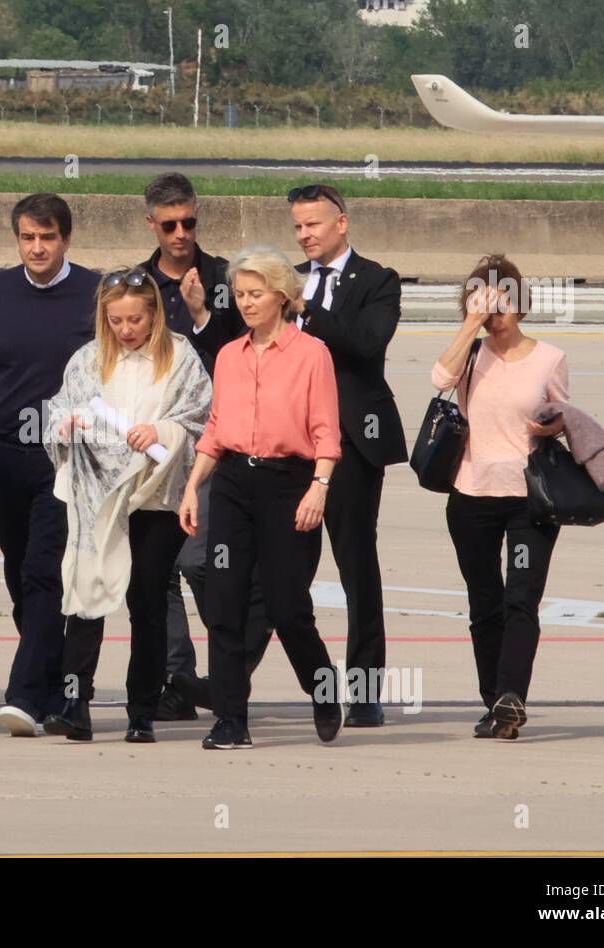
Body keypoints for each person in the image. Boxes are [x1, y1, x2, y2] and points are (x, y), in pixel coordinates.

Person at [178, 246, 343, 750]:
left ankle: (322, 685)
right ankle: (231, 719)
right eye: (241, 294)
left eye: (256, 294)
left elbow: (326, 432)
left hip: (289, 484)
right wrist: (192, 487)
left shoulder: (312, 354)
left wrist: (319, 487)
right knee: (224, 604)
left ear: (283, 297)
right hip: (231, 483)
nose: (245, 303)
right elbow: (215, 430)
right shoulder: (229, 355)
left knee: (285, 604)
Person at [42, 268, 211, 742]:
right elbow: (61, 410)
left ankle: (142, 710)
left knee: (148, 600)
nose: (127, 330)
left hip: (155, 497)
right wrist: (65, 428)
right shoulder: (89, 359)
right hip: (98, 497)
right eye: (116, 321)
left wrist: (162, 431)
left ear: (154, 313)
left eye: (136, 319)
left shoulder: (179, 356)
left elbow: (199, 416)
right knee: (85, 594)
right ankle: (75, 702)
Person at [0, 193, 104, 737]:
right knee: (21, 572)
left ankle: (24, 695)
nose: (37, 247)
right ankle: (57, 680)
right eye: (27, 237)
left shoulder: (94, 291)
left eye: (47, 237)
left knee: (46, 570)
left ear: (65, 238)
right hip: (1, 455)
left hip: (65, 459)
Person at [432, 255, 568, 740]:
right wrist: (470, 324)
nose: (497, 307)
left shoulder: (549, 357)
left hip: (529, 500)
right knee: (483, 604)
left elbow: (563, 416)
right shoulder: (471, 353)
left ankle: (512, 695)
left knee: (521, 601)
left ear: (522, 301)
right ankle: (495, 704)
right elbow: (439, 381)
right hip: (471, 495)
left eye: (504, 295)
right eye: (485, 296)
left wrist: (552, 424)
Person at [135, 172, 253, 723]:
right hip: (155, 446)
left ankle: (231, 659)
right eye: (170, 225)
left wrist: (204, 314)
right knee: (158, 572)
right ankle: (178, 677)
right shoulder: (135, 286)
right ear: (152, 224)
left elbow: (243, 360)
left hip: (214, 441)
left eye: (190, 222)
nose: (182, 233)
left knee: (202, 562)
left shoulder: (229, 279)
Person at [291, 184, 407, 727]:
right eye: (297, 226)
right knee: (282, 572)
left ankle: (364, 692)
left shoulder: (377, 280)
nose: (305, 234)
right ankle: (296, 686)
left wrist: (305, 310)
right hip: (291, 446)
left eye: (313, 224)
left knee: (357, 568)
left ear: (342, 222)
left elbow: (366, 344)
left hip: (354, 444)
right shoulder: (286, 283)